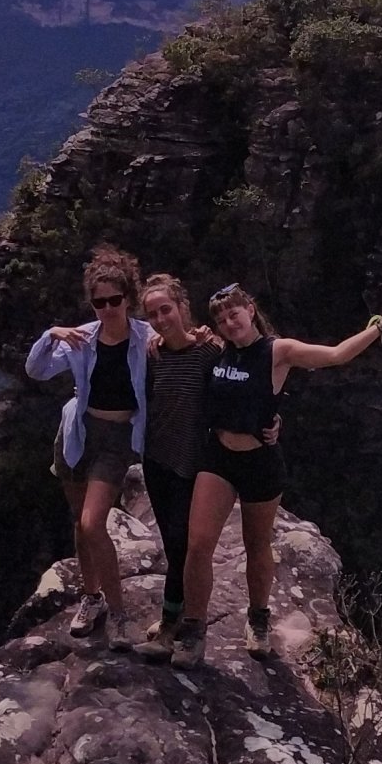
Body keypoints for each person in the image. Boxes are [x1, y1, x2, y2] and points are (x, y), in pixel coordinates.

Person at [170, 285, 382, 670]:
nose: (229, 324)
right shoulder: (217, 350)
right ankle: (193, 628)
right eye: (221, 320)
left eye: (234, 315)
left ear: (250, 310)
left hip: (260, 462)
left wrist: (378, 327)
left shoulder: (278, 351)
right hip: (218, 456)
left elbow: (336, 356)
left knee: (257, 544)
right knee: (199, 543)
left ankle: (258, 618)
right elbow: (173, 339)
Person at [135, 273, 279, 664]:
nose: (161, 319)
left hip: (196, 462)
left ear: (182, 308)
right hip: (157, 460)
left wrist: (272, 420)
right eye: (152, 314)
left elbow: (251, 385)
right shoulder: (151, 355)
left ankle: (172, 627)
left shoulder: (210, 352)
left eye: (166, 309)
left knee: (185, 544)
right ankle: (175, 615)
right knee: (173, 545)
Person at [24, 245, 151, 650]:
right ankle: (91, 597)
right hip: (77, 432)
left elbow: (186, 358)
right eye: (100, 302)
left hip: (117, 439)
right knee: (80, 523)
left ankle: (119, 614)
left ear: (129, 298)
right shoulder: (83, 338)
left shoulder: (147, 340)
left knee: (94, 522)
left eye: (115, 300)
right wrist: (51, 335)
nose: (108, 308)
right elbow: (37, 370)